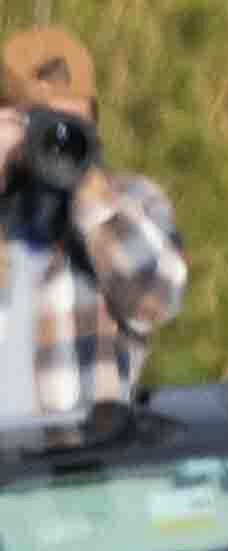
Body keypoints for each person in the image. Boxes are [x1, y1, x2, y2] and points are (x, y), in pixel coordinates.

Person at [0, 24, 177, 421]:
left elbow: (158, 299)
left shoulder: (132, 201)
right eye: (38, 125)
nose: (54, 141)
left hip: (83, 470)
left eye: (70, 128)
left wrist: (90, 195)